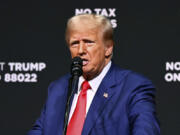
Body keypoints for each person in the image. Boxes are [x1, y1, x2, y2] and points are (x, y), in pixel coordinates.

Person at [28, 14, 160, 135]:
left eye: (88, 42)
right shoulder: (58, 88)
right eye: (75, 43)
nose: (80, 50)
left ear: (108, 48)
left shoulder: (133, 87)